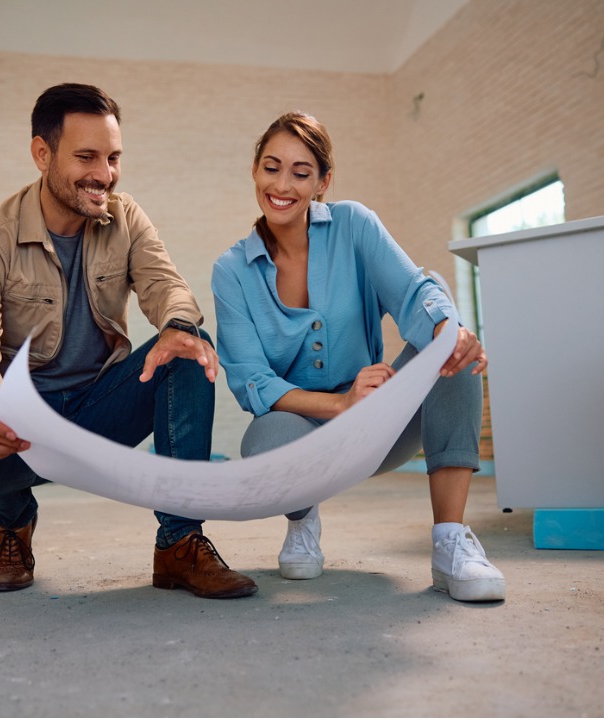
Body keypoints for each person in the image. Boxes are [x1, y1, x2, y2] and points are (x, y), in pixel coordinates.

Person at [0, 83, 256, 599]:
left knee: (186, 347)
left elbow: (165, 286)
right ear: (42, 154)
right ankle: (13, 522)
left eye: (113, 158)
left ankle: (179, 542)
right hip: (22, 418)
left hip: (98, 408)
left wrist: (177, 323)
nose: (104, 174)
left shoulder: (126, 216)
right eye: (86, 157)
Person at [210, 111, 505, 602]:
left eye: (301, 173)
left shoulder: (354, 224)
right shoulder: (232, 270)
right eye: (271, 167)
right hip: (305, 433)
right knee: (263, 442)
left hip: (380, 426)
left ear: (323, 181)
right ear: (255, 171)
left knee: (447, 347)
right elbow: (252, 382)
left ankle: (450, 543)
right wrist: (342, 403)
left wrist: (446, 329)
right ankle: (302, 522)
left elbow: (413, 292)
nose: (282, 185)